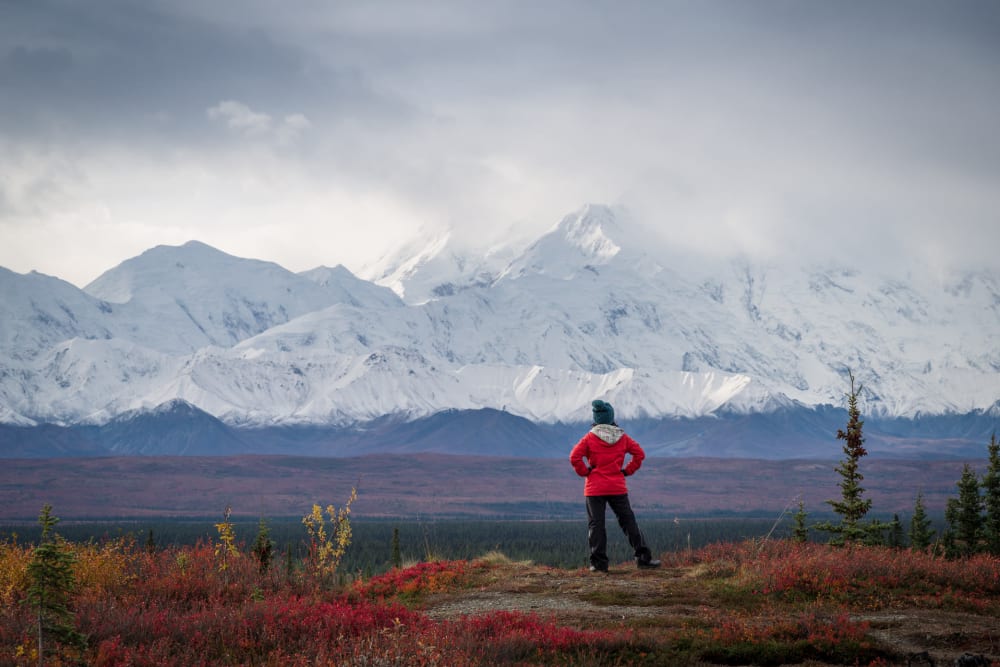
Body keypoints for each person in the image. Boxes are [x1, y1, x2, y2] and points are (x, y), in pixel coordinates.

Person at [569, 399, 661, 572]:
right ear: (611, 417)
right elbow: (639, 454)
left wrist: (586, 472)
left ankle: (599, 564)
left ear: (595, 418)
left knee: (596, 525)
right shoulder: (623, 437)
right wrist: (626, 471)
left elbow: (574, 457)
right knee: (628, 521)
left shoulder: (589, 438)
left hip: (595, 488)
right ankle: (643, 558)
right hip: (617, 486)